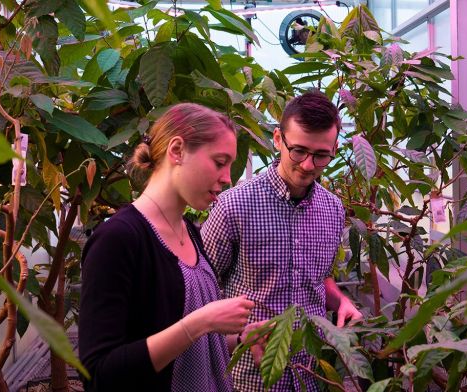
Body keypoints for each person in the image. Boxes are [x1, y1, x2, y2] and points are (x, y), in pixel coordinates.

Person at [79, 103, 255, 391]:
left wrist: (240, 339)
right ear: (177, 151)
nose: (227, 178)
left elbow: (186, 350)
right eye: (219, 162)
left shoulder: (190, 232)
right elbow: (99, 374)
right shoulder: (118, 240)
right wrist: (202, 321)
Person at [201, 91, 362, 392]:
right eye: (298, 151)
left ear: (334, 149)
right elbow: (201, 290)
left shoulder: (332, 209)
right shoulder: (234, 206)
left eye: (321, 155)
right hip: (248, 377)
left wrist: (342, 302)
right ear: (278, 139)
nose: (308, 165)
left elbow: (319, 279)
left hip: (311, 375)